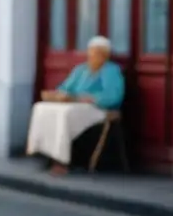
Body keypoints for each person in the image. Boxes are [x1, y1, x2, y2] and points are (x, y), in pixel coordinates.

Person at [27, 35, 126, 174]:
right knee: (41, 108)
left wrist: (91, 98)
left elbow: (114, 96)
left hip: (99, 109)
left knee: (66, 115)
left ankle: (63, 161)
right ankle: (45, 154)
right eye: (91, 52)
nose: (92, 56)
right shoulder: (81, 69)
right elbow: (66, 87)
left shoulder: (111, 71)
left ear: (105, 55)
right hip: (76, 105)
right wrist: (60, 94)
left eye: (97, 53)